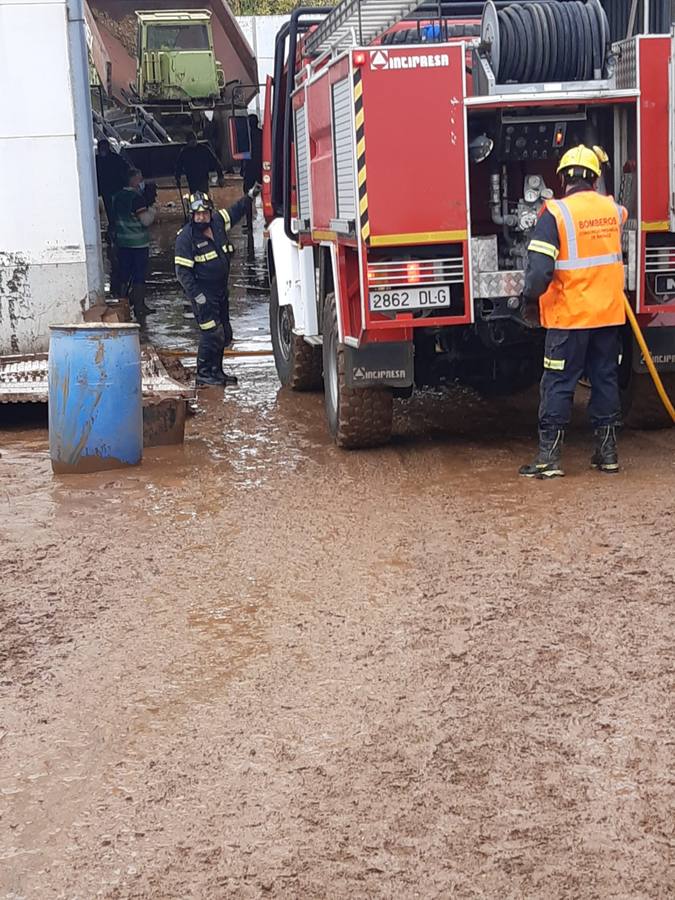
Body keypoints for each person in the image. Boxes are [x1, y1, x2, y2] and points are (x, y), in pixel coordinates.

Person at [519, 144, 627, 479]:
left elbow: (539, 271)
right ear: (594, 179)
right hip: (607, 316)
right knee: (605, 380)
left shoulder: (555, 213)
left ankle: (550, 458)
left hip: (569, 318)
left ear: (564, 177)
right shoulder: (613, 211)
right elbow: (617, 217)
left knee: (559, 383)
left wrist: (529, 300)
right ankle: (607, 454)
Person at [174, 185, 261, 386]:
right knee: (210, 332)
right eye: (198, 214)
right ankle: (203, 375)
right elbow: (182, 273)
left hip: (221, 290)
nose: (202, 217)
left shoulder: (217, 222)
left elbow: (236, 211)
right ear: (191, 215)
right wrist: (197, 297)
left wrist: (250, 196)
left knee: (224, 332)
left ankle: (217, 372)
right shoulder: (185, 238)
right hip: (203, 294)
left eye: (205, 213)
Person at [112, 168, 157, 319]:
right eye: (140, 179)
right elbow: (145, 221)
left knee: (124, 275)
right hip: (138, 244)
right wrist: (152, 209)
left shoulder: (116, 197)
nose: (142, 182)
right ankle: (139, 307)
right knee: (138, 276)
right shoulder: (136, 199)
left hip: (122, 243)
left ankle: (122, 308)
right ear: (132, 180)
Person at [95, 139, 130, 234]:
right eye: (100, 148)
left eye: (104, 147)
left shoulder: (116, 158)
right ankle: (113, 228)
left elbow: (126, 169)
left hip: (116, 189)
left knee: (117, 211)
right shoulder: (96, 160)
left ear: (108, 148)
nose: (102, 150)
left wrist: (125, 184)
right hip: (105, 190)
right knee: (110, 212)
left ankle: (117, 228)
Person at [242, 114, 263, 233]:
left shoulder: (246, 136)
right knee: (264, 192)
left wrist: (242, 168)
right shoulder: (262, 134)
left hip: (250, 170)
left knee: (248, 196)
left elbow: (243, 155)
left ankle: (249, 223)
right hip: (261, 168)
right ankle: (268, 220)